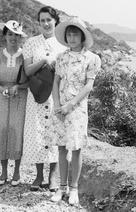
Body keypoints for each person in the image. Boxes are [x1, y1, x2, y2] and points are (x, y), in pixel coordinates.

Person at [48, 17, 101, 204]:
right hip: (61, 107)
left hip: (77, 108)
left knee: (76, 148)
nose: (72, 37)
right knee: (62, 148)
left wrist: (71, 104)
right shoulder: (61, 57)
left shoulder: (92, 59)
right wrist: (56, 104)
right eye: (69, 34)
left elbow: (88, 86)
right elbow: (56, 82)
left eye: (75, 34)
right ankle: (61, 188)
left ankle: (74, 189)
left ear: (82, 36)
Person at [22, 6, 67, 192]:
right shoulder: (31, 43)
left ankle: (53, 176)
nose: (46, 23)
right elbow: (27, 71)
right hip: (37, 96)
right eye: (42, 21)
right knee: (37, 133)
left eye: (49, 19)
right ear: (38, 24)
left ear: (55, 21)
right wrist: (44, 62)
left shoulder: (63, 45)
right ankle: (39, 175)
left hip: (57, 96)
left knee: (55, 133)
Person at [0, 20, 28, 187]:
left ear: (20, 37)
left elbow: (30, 81)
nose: (13, 37)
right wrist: (2, 90)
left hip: (21, 97)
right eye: (10, 34)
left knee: (17, 132)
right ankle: (3, 172)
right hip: (2, 97)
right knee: (2, 131)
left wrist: (18, 87)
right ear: (5, 35)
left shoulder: (26, 56)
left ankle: (17, 172)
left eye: (16, 35)